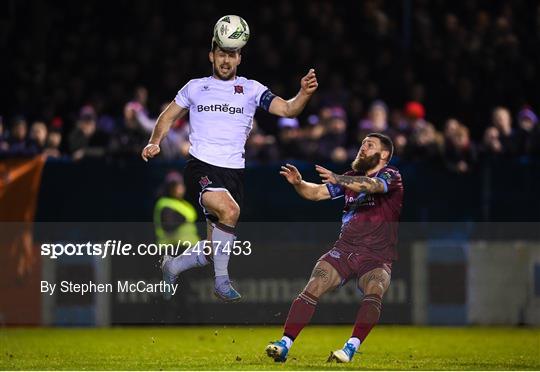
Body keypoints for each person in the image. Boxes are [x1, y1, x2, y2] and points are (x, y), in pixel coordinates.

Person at [141, 31, 318, 302]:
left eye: (231, 55)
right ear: (212, 56)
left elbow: (288, 110)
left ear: (239, 58)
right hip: (201, 166)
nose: (226, 60)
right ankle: (222, 282)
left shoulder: (252, 89)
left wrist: (303, 93)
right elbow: (167, 116)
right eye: (221, 54)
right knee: (230, 209)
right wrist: (155, 141)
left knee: (214, 249)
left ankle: (173, 266)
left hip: (233, 172)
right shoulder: (195, 87)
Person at [266, 133, 403, 363]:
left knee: (375, 289)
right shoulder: (350, 177)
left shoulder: (391, 175)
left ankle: (350, 348)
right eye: (362, 144)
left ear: (384, 154)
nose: (362, 148)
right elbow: (317, 193)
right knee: (314, 284)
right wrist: (299, 183)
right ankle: (284, 344)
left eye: (369, 145)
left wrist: (338, 179)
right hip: (344, 250)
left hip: (376, 255)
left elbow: (374, 186)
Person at [153, 171, 200, 299]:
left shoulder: (184, 204)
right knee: (174, 290)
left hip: (186, 251)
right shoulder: (165, 203)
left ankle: (183, 314)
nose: (179, 188)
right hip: (172, 251)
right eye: (175, 185)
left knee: (185, 288)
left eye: (180, 184)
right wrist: (183, 219)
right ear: (169, 188)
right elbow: (168, 225)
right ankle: (169, 315)